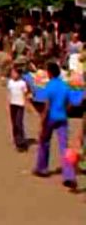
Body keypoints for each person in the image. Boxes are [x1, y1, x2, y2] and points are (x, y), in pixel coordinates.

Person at [33, 62, 77, 191]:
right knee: (64, 148)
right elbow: (70, 103)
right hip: (62, 118)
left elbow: (46, 106)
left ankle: (42, 168)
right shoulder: (64, 86)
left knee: (44, 142)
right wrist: (64, 110)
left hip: (51, 118)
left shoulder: (50, 86)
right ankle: (69, 175)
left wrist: (41, 122)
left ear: (50, 73)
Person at [7, 64, 29, 152]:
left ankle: (21, 142)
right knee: (14, 123)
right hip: (13, 104)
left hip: (20, 105)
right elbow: (9, 93)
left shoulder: (22, 83)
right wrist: (8, 103)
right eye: (12, 73)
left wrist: (26, 105)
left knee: (19, 123)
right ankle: (16, 140)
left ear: (18, 74)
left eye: (14, 73)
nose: (12, 74)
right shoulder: (10, 82)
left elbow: (25, 94)